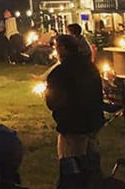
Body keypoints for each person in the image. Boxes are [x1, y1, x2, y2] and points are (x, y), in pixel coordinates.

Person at [45, 34, 104, 189]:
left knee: (71, 169)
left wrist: (49, 96)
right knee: (91, 167)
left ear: (63, 48)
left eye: (56, 47)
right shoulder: (90, 67)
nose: (55, 51)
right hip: (93, 122)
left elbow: (53, 101)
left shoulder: (60, 72)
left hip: (73, 126)